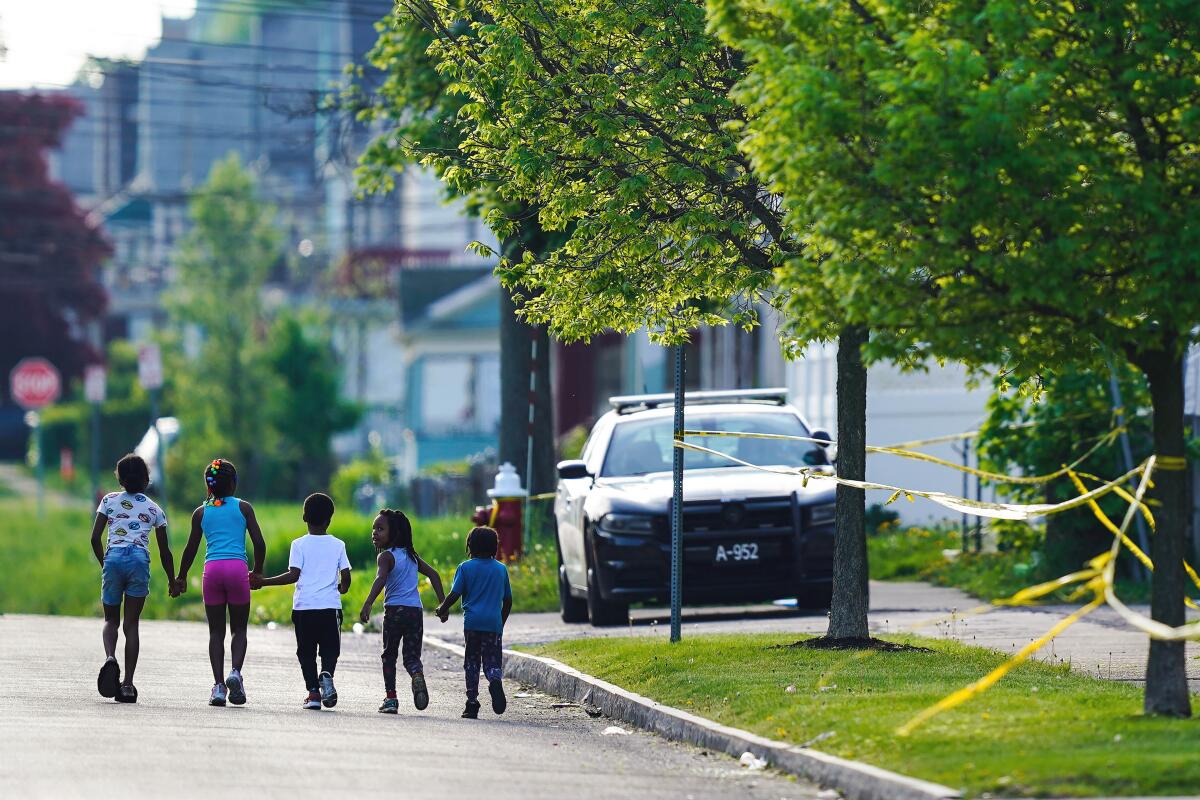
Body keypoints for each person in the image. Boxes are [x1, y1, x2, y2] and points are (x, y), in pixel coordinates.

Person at [176, 458, 265, 707]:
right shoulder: (244, 508)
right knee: (239, 629)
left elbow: (191, 548)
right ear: (234, 484)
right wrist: (257, 572)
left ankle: (218, 687)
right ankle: (235, 672)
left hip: (212, 572)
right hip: (237, 570)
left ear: (208, 485)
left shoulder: (201, 512)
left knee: (216, 632)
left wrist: (181, 577)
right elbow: (259, 543)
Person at [90, 454, 178, 703]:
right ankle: (127, 685)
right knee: (131, 625)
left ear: (119, 478)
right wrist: (173, 580)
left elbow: (95, 538)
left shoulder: (108, 501)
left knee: (111, 620)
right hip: (139, 560)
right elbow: (165, 552)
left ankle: (110, 657)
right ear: (146, 479)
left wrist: (105, 563)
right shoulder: (154, 509)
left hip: (114, 558)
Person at [250, 493, 351, 710]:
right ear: (329, 520)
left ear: (304, 517)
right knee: (330, 648)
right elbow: (346, 576)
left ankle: (313, 693)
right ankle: (327, 674)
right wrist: (342, 588)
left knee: (305, 652)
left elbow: (293, 575)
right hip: (330, 608)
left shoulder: (298, 545)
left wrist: (264, 581)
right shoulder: (338, 544)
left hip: (304, 608)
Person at [359, 509, 446, 714]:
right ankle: (416, 674)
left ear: (395, 533)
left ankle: (391, 699)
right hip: (415, 612)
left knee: (389, 656)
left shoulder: (386, 557)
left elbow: (380, 579)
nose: (375, 533)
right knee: (411, 657)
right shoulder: (411, 556)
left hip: (394, 611)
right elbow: (433, 574)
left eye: (380, 529)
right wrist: (442, 604)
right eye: (374, 528)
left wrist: (368, 603)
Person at [435, 526, 512, 719]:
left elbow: (455, 594)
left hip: (472, 624)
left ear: (470, 546)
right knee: (492, 661)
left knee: (472, 662)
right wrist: (500, 622)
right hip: (493, 624)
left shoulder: (465, 567)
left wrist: (442, 608)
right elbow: (508, 600)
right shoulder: (501, 569)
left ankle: (472, 703)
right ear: (495, 547)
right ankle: (494, 680)